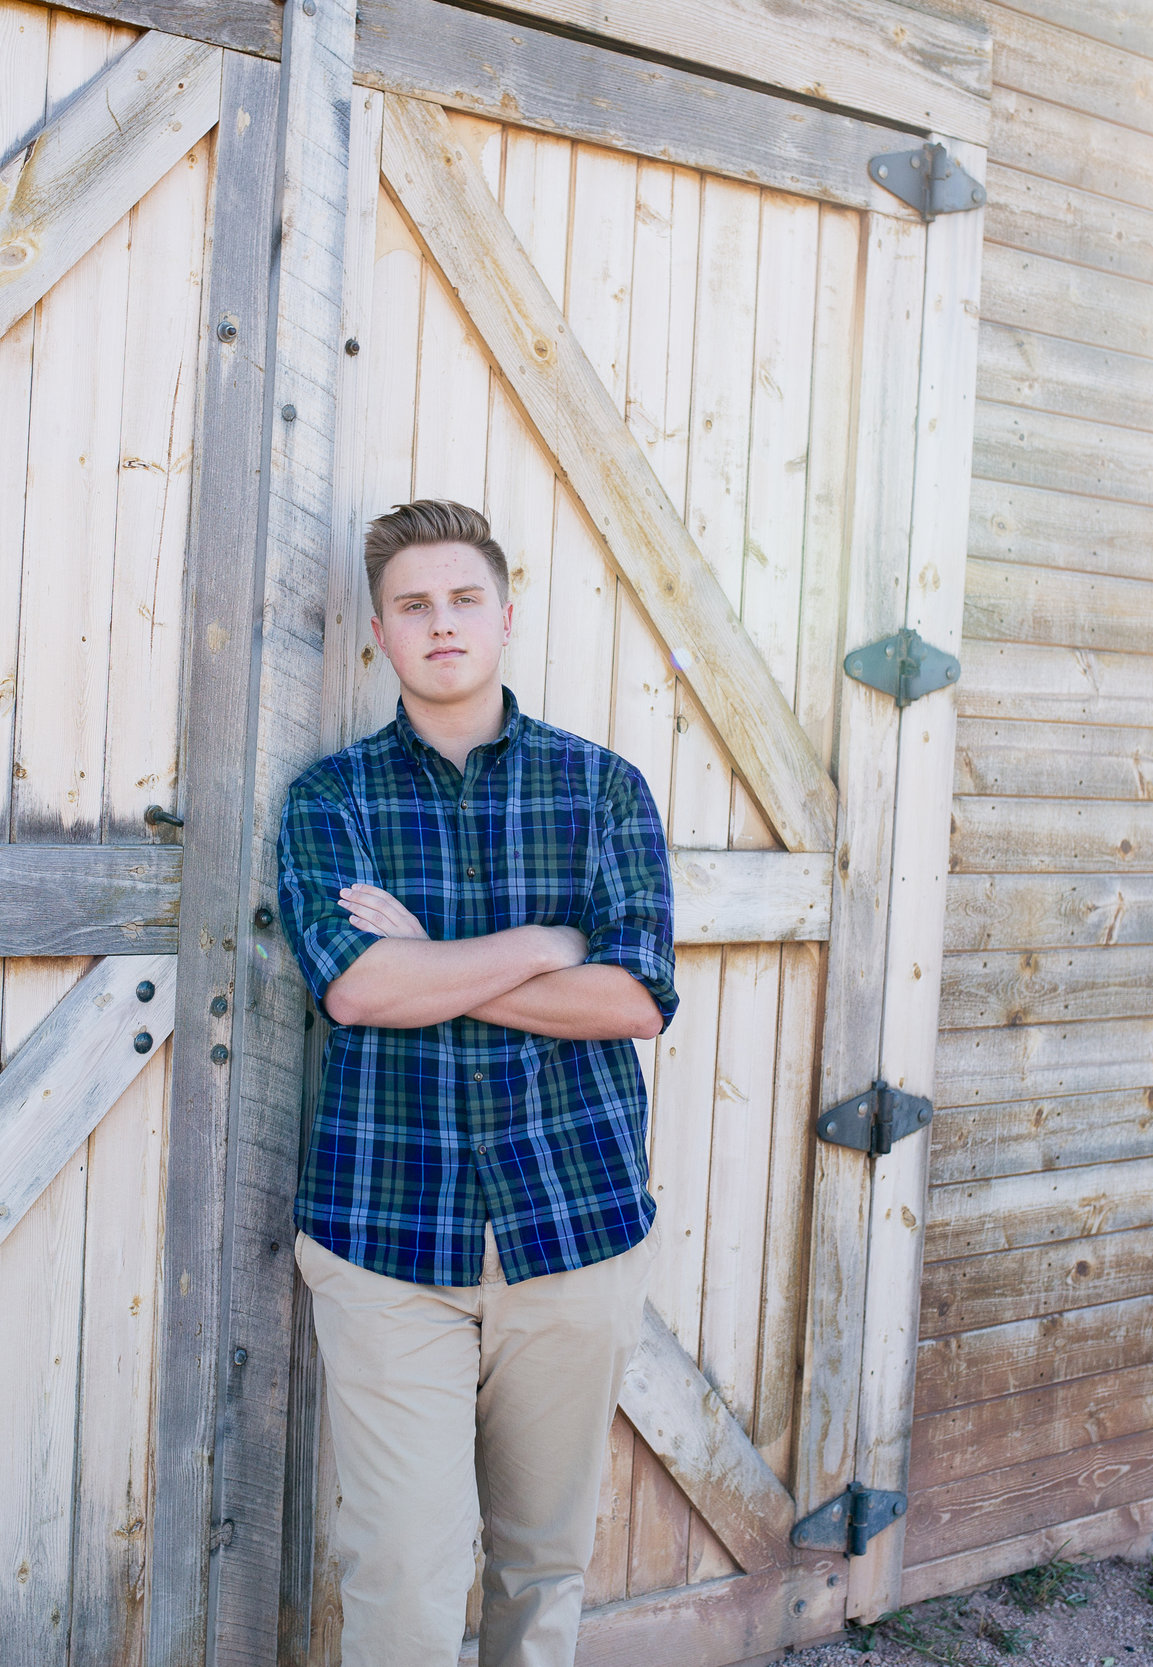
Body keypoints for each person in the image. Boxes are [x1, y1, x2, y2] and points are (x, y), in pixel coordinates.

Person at [276, 499, 676, 1667]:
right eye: (413, 605)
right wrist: (547, 943)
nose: (439, 623)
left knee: (539, 1564)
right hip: (387, 1240)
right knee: (400, 1570)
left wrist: (430, 960)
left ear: (504, 615)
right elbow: (351, 991)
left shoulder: (602, 789)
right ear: (379, 631)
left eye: (462, 600)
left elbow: (634, 1001)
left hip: (573, 1226)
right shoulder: (330, 798)